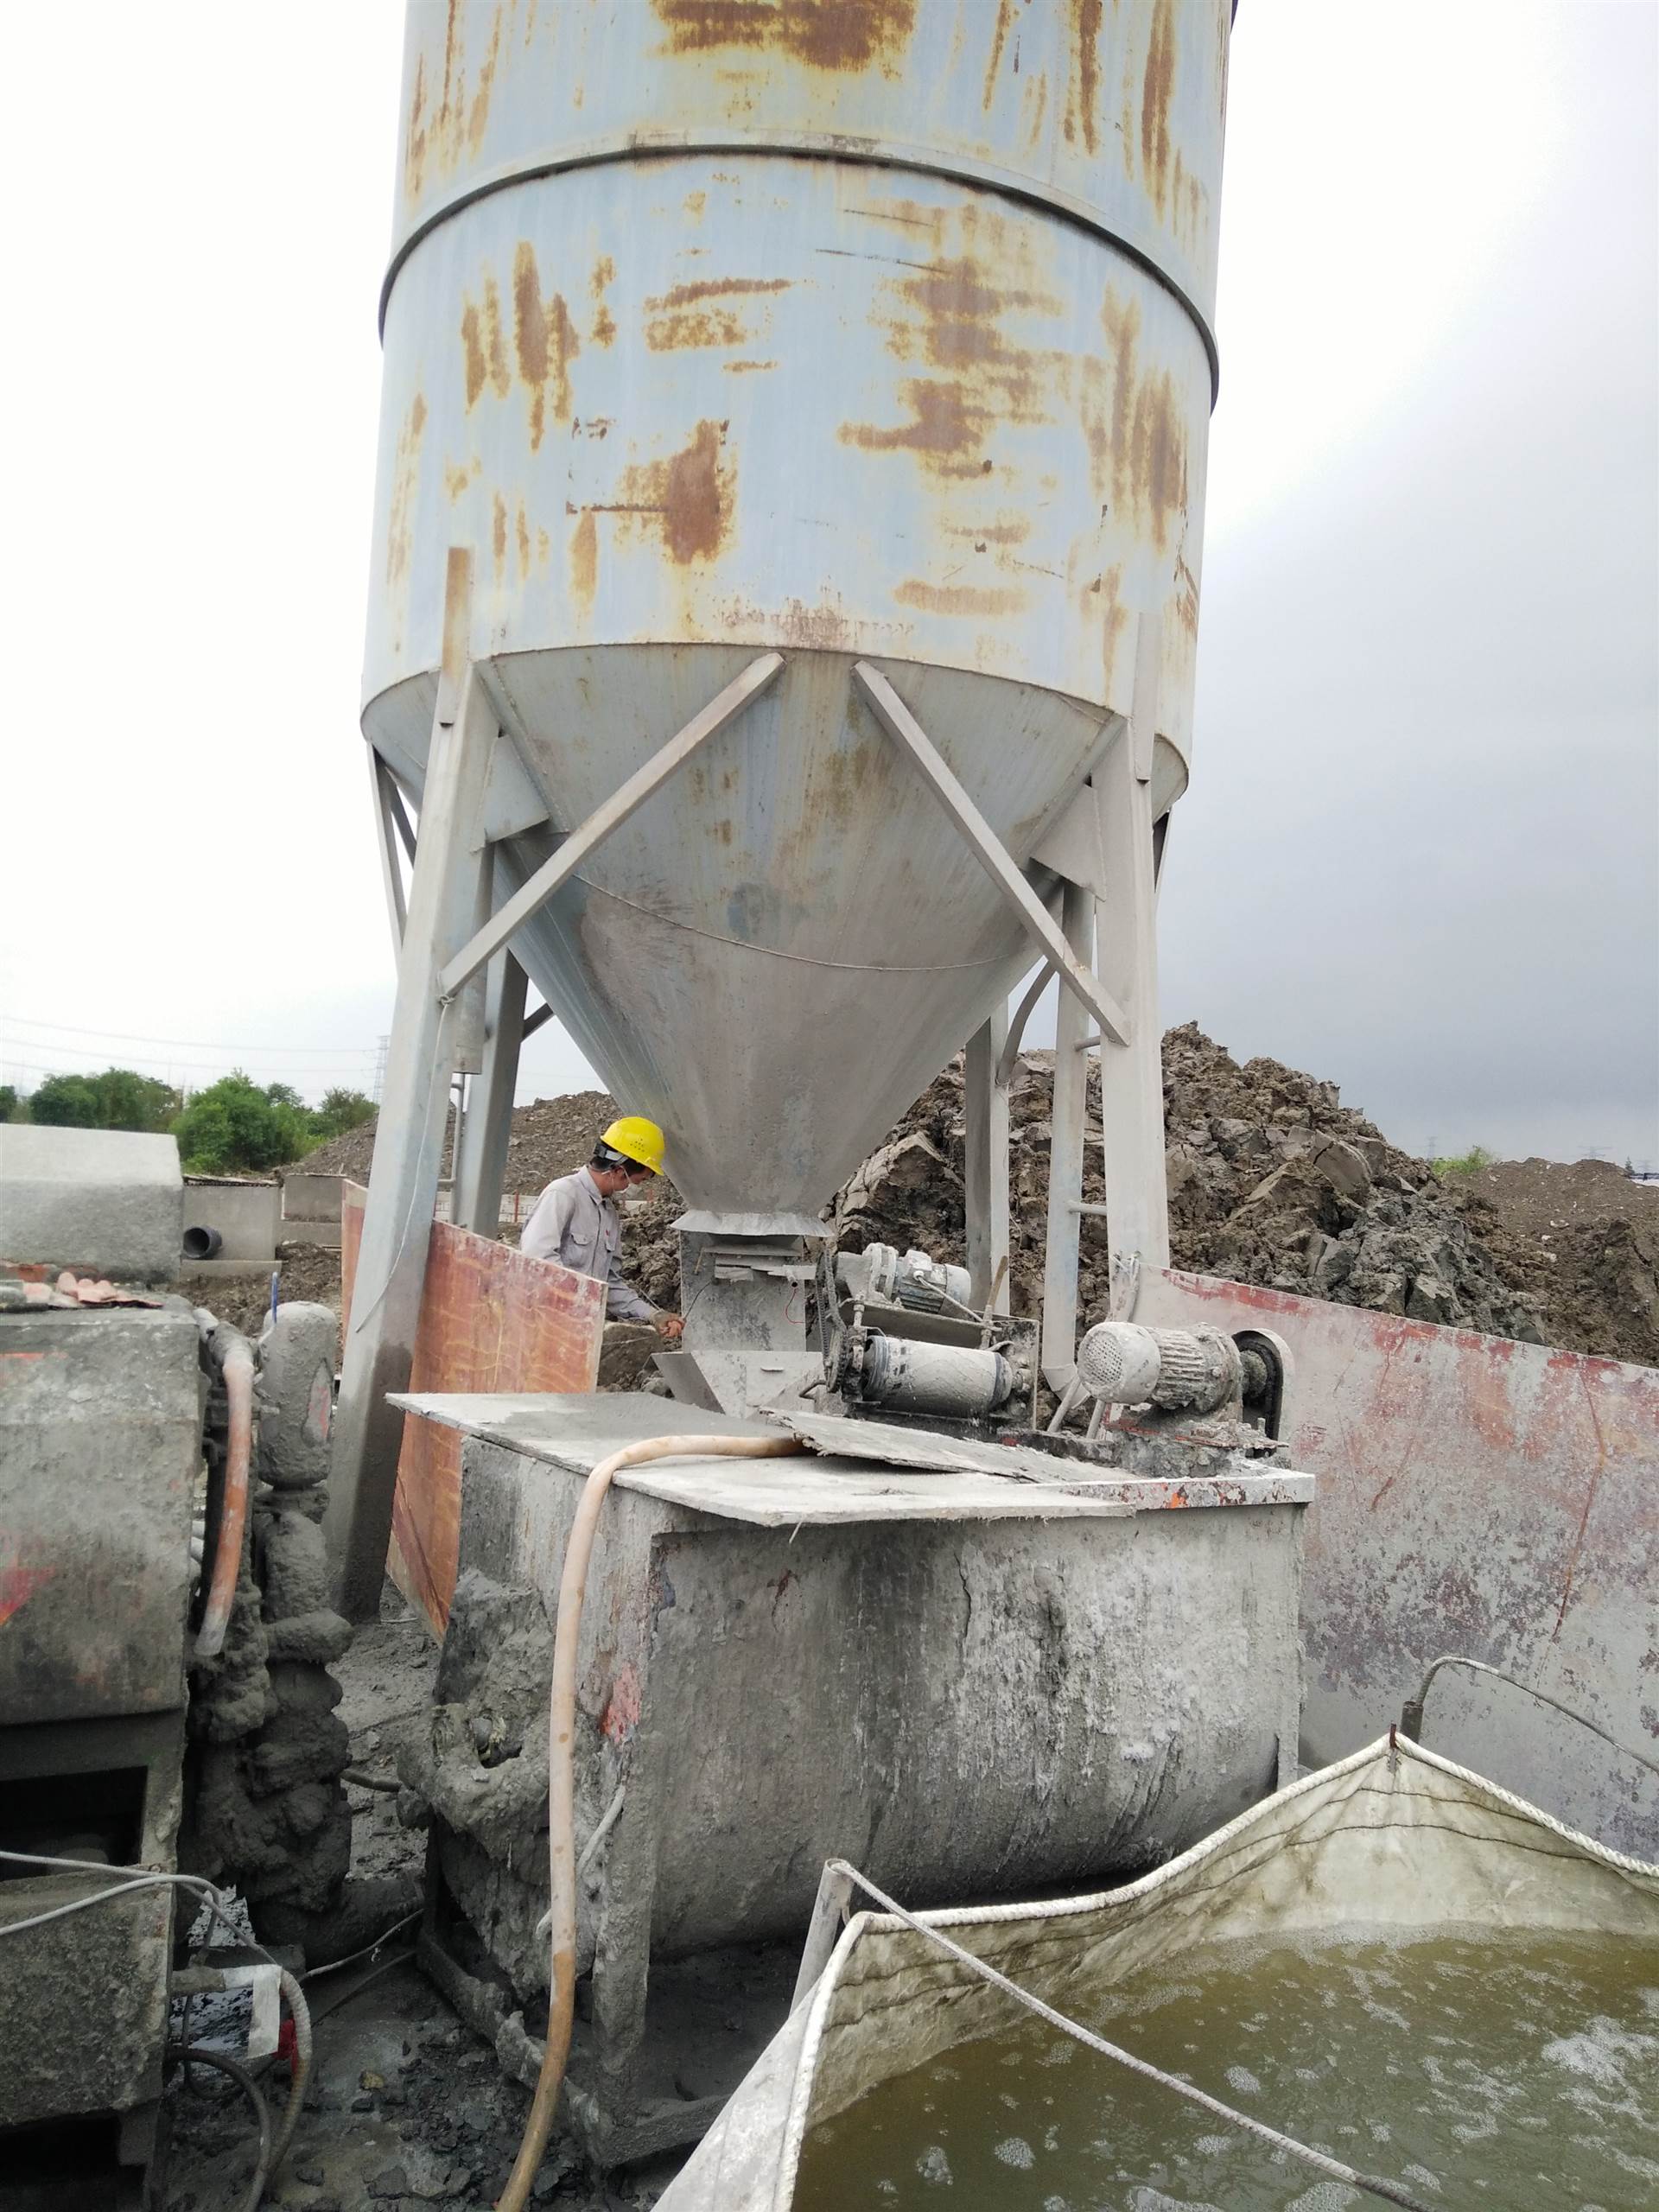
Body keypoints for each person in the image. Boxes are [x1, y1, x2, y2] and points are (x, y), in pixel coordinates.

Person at [520, 1116, 684, 1340]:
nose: (634, 1187)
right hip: (540, 1326)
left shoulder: (608, 1215)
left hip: (577, 1333)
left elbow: (609, 1285)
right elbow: (537, 1261)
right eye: (637, 1181)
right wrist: (580, 1302)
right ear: (618, 1170)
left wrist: (653, 1315)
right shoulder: (563, 1195)